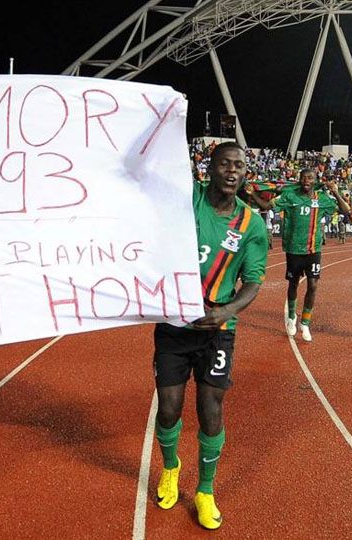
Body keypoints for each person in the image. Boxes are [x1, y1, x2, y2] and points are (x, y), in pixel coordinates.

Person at [153, 142, 267, 530]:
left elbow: (252, 282)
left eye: (239, 166)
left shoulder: (251, 224)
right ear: (209, 168)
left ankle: (204, 490)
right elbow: (159, 175)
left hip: (218, 331)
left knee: (210, 409)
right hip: (173, 324)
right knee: (168, 407)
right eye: (225, 164)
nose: (232, 171)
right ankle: (171, 467)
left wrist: (226, 310)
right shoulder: (190, 198)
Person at [250, 168, 351, 342]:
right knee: (293, 284)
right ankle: (291, 317)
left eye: (310, 178)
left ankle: (305, 322)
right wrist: (252, 194)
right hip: (293, 249)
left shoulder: (322, 199)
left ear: (315, 180)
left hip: (313, 249)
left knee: (313, 285)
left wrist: (335, 191)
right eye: (303, 178)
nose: (306, 180)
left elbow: (345, 210)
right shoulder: (289, 196)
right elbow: (266, 206)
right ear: (299, 179)